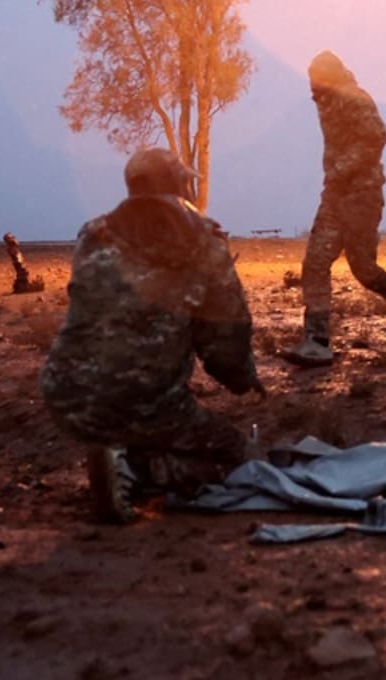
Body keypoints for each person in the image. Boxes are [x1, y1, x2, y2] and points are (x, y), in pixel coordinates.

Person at [40, 148, 264, 524]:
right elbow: (225, 337)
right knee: (241, 461)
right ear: (177, 184)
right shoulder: (205, 241)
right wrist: (242, 379)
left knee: (131, 420)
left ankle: (117, 452)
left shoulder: (93, 234)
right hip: (152, 399)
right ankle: (136, 471)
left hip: (65, 390)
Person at [281, 51, 386, 367]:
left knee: (364, 269)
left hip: (363, 195)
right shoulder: (327, 104)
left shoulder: (355, 99)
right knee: (315, 263)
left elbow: (378, 136)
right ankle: (317, 342)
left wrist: (343, 168)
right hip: (334, 196)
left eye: (316, 79)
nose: (312, 88)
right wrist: (334, 177)